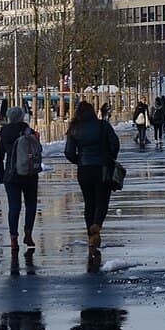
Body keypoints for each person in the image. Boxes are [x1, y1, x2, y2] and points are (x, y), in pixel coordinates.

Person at [64, 101, 120, 249]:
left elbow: (69, 152)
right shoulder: (103, 126)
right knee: (102, 200)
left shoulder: (74, 128)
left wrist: (79, 160)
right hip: (101, 167)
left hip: (84, 169)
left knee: (89, 202)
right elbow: (114, 143)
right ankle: (97, 225)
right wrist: (110, 157)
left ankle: (91, 235)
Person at [0, 106, 41, 248]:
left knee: (14, 206)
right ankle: (28, 233)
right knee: (31, 204)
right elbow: (37, 150)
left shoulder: (5, 132)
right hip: (29, 174)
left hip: (12, 174)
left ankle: (13, 238)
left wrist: (2, 176)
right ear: (22, 117)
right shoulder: (28, 131)